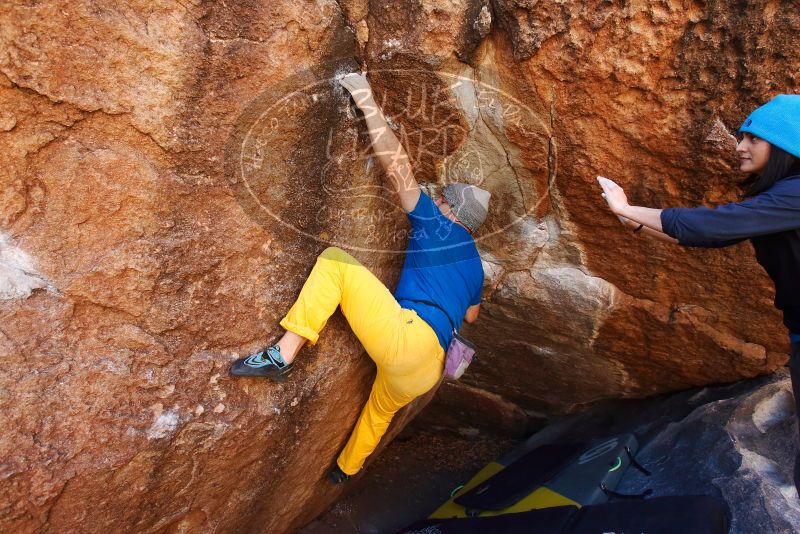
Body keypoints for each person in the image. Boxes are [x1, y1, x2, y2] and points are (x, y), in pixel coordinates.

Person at [229, 72, 490, 483]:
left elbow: (396, 165)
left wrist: (364, 97)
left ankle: (284, 353)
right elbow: (472, 316)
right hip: (428, 372)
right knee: (379, 411)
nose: (434, 199)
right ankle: (345, 470)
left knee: (334, 260)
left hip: (408, 339)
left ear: (450, 208)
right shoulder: (475, 264)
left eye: (441, 197)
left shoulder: (435, 223)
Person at [596, 94, 800, 492]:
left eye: (752, 139)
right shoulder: (784, 198)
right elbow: (713, 238)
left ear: (786, 145)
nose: (739, 147)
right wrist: (637, 224)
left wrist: (627, 209)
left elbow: (714, 226)